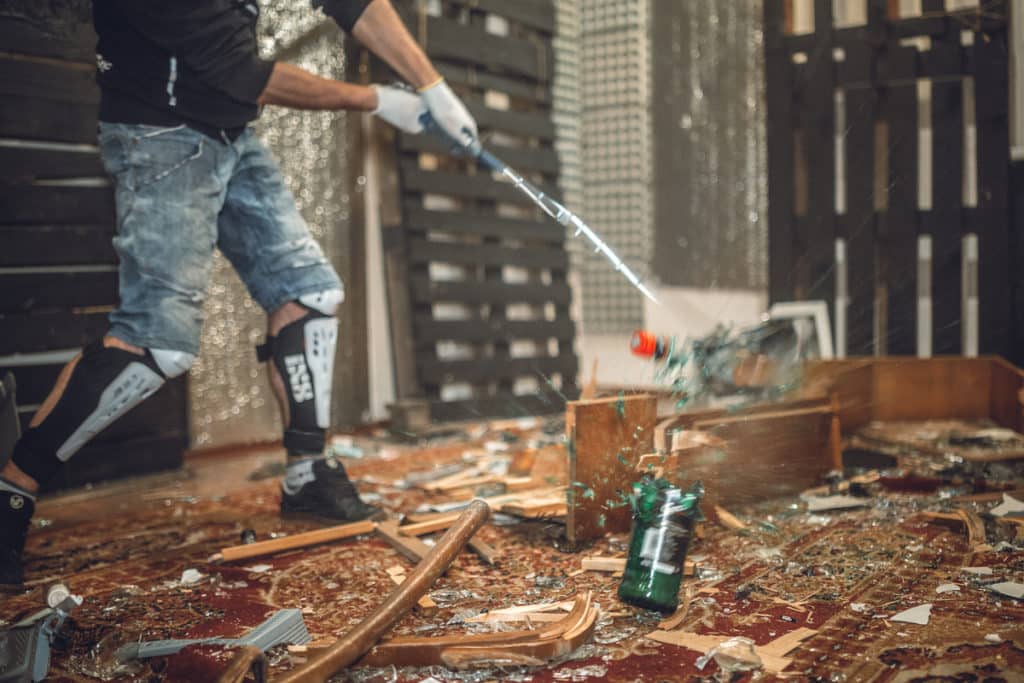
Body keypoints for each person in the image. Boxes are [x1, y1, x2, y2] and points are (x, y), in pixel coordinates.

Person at [0, 0, 479, 586]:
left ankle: (308, 475)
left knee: (309, 295)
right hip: (160, 135)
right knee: (156, 343)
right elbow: (243, 75)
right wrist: (378, 100)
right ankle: (10, 492)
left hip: (229, 131)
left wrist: (433, 85)